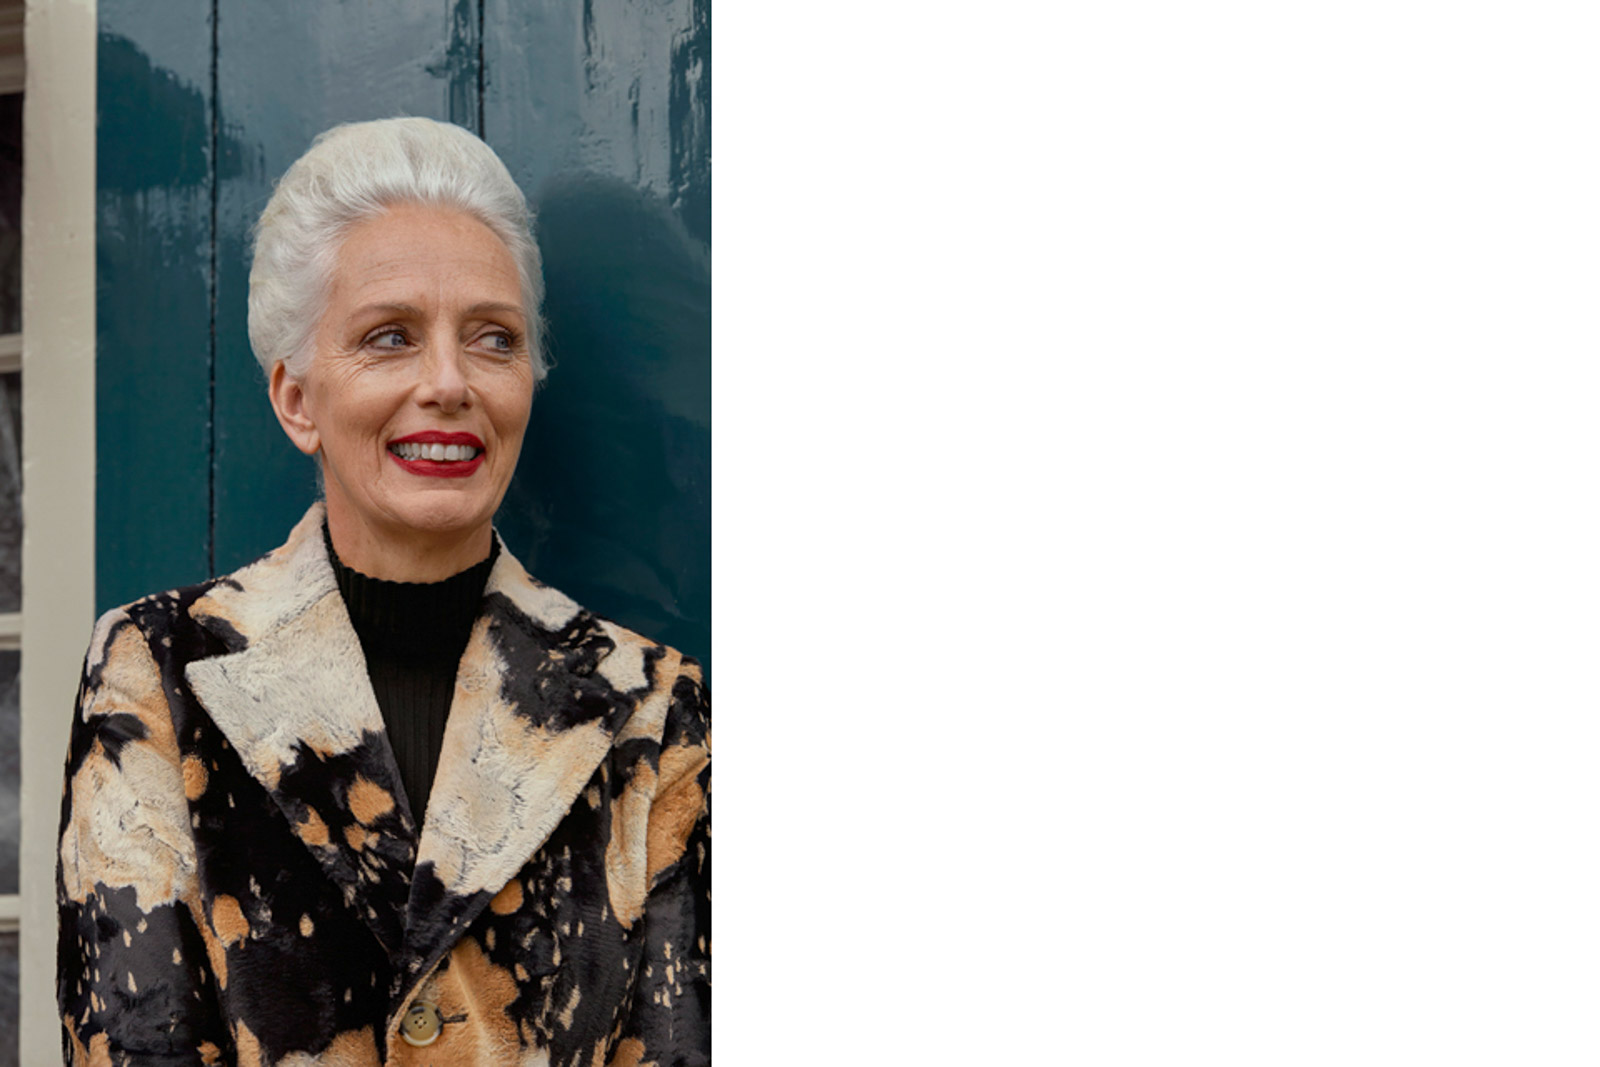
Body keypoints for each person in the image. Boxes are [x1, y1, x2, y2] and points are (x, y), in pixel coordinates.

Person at [56, 117, 710, 1067]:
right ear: (297, 398)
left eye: (493, 339)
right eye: (390, 337)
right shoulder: (158, 672)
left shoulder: (653, 707)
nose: (448, 382)